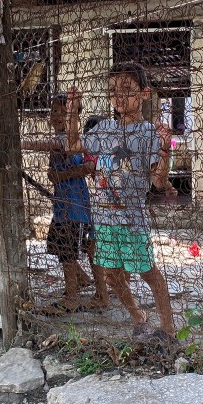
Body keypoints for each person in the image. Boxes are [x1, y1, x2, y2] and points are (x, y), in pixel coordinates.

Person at [63, 62, 175, 335]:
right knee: (111, 275)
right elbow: (73, 146)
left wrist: (165, 151)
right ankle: (138, 316)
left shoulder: (148, 132)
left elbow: (159, 182)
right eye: (113, 90)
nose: (119, 96)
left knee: (148, 273)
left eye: (127, 89)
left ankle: (169, 328)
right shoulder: (103, 130)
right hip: (103, 219)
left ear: (144, 94)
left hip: (131, 220)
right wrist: (72, 114)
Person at [21, 94, 110, 313]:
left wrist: (19, 143)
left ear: (75, 117)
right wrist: (58, 176)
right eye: (54, 112)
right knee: (67, 247)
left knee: (70, 251)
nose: (57, 116)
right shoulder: (62, 140)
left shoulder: (71, 140)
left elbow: (83, 168)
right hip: (64, 205)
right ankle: (86, 285)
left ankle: (73, 297)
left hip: (75, 205)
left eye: (64, 113)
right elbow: (52, 174)